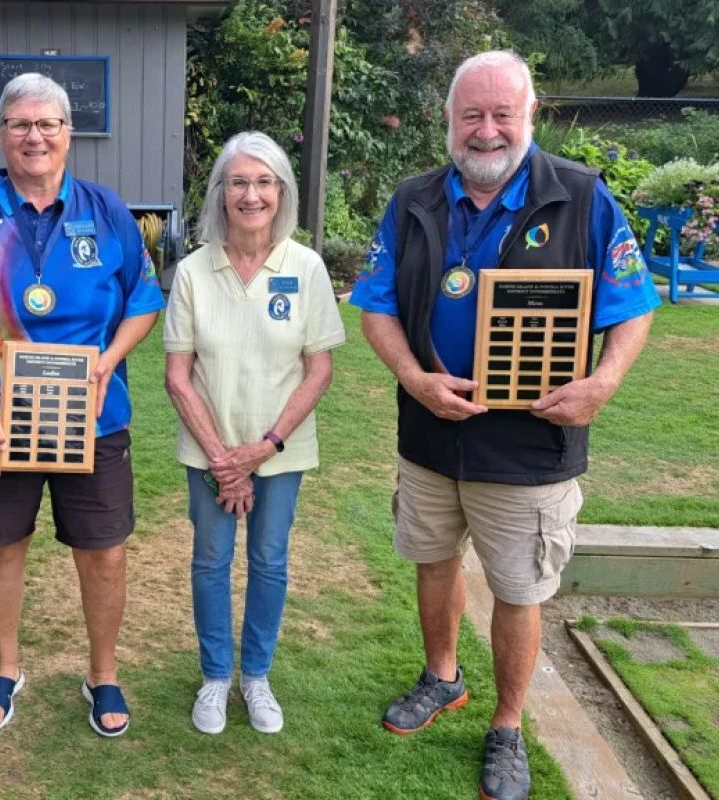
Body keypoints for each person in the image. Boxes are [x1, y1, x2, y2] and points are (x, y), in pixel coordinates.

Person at [348, 51, 659, 800]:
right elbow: (376, 306)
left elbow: (634, 306)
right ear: (449, 121)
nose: (485, 131)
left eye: (501, 115)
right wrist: (414, 378)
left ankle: (509, 724)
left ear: (530, 116)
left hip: (528, 448)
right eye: (471, 116)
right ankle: (442, 676)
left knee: (519, 590)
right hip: (431, 434)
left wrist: (601, 386)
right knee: (433, 561)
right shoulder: (413, 198)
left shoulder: (582, 198)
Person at [0, 73, 163, 738]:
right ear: (1, 134)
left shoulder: (106, 209)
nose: (34, 135)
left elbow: (144, 300)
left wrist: (108, 362)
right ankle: (7, 666)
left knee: (105, 552)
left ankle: (104, 672)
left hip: (92, 416)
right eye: (20, 124)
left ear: (68, 134)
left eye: (48, 124)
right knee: (3, 547)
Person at [163, 132, 345, 736]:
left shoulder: (305, 266)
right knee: (211, 562)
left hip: (279, 451)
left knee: (269, 561)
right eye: (239, 182)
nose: (251, 194)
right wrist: (223, 460)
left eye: (264, 182)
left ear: (282, 192)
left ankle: (256, 676)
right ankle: (216, 677)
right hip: (209, 452)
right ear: (220, 194)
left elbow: (319, 367)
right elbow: (178, 375)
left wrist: (262, 449)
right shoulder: (192, 271)